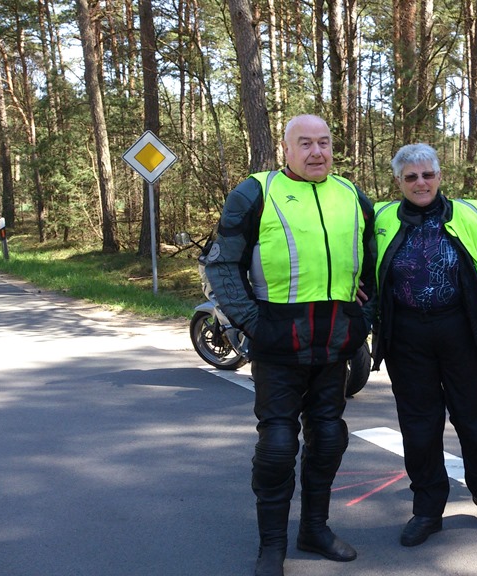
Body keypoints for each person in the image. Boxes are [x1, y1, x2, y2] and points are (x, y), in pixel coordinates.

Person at [204, 114, 376, 576]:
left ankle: (314, 530)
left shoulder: (353, 195)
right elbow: (222, 264)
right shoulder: (255, 192)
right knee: (278, 446)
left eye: (324, 142)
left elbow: (373, 267)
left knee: (329, 438)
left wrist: (363, 318)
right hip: (279, 345)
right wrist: (253, 322)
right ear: (286, 149)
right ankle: (272, 546)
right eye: (305, 143)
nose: (317, 152)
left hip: (335, 344)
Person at [372, 143, 477, 547]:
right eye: (411, 177)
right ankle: (427, 509)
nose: (420, 183)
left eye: (427, 174)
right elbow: (364, 273)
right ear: (399, 181)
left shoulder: (471, 213)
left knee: (476, 420)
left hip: (462, 329)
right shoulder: (380, 218)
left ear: (439, 176)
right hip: (406, 336)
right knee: (419, 426)